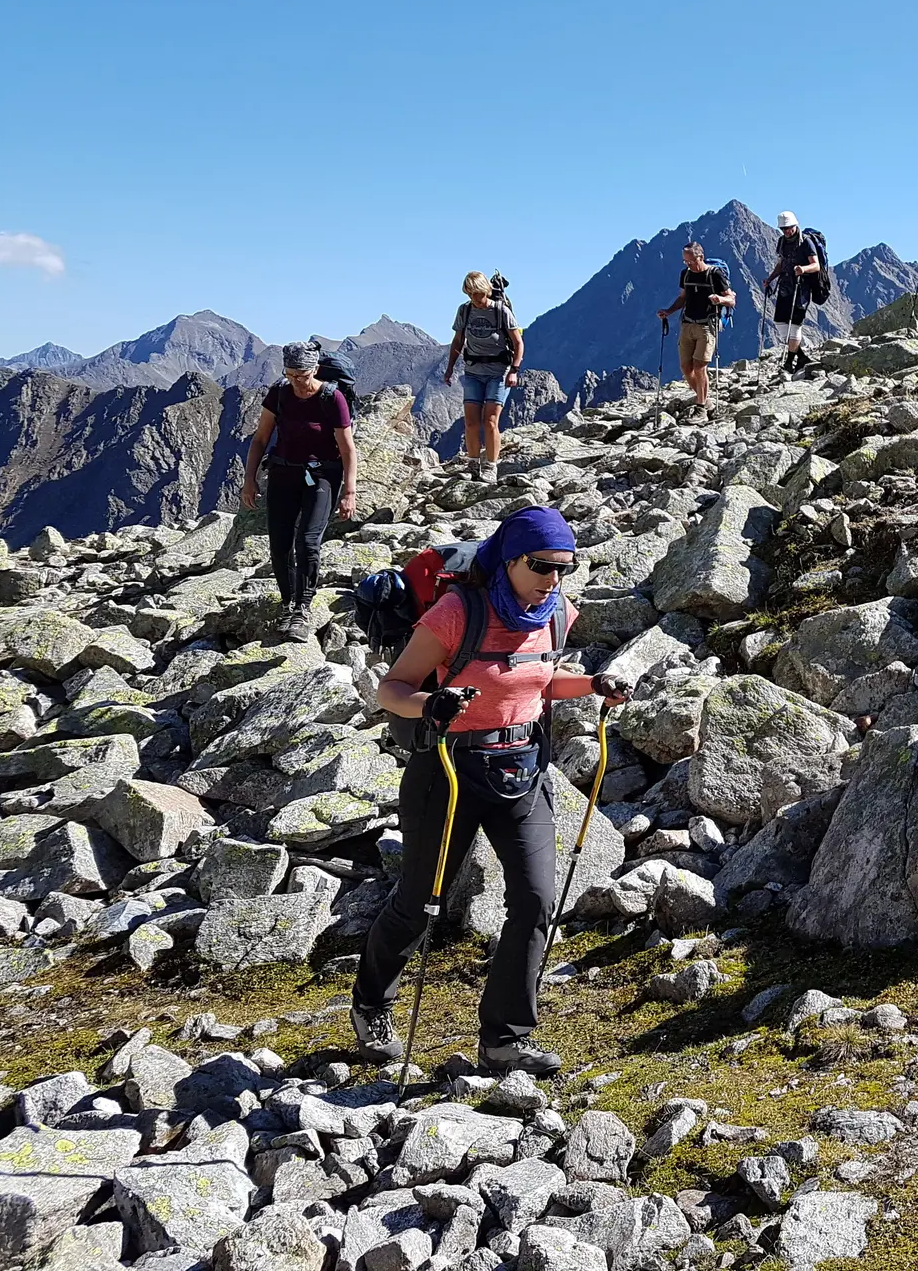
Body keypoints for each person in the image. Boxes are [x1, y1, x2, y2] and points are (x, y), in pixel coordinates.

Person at [353, 507, 628, 1076]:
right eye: (541, 567)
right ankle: (371, 1003)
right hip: (449, 771)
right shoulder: (459, 612)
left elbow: (539, 678)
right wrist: (431, 704)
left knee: (535, 900)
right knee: (420, 903)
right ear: (509, 560)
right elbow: (392, 688)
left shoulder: (557, 615)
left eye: (563, 569)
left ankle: (505, 1039)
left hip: (523, 769)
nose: (553, 579)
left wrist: (594, 684)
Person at [241, 341, 357, 641]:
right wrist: (249, 478)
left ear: (315, 370)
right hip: (282, 473)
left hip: (322, 476)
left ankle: (302, 609)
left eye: (301, 375)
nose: (296, 381)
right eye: (290, 374)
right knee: (279, 545)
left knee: (307, 541)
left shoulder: (333, 398)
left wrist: (349, 492)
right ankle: (287, 603)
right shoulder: (279, 393)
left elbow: (347, 449)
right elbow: (260, 439)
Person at [444, 271, 523, 484]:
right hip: (472, 373)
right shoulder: (465, 311)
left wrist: (514, 370)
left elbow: (518, 343)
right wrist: (450, 368)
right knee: (470, 423)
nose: (474, 299)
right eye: (470, 294)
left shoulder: (501, 311)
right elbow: (458, 341)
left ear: (485, 290)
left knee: (490, 421)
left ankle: (490, 466)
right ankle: (472, 464)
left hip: (499, 373)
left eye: (477, 294)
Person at [657, 242, 735, 420]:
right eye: (685, 261)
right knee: (686, 368)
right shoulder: (685, 274)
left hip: (707, 326)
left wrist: (719, 299)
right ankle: (705, 400)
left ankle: (701, 408)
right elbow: (683, 298)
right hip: (687, 324)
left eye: (690, 261)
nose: (688, 265)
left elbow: (731, 299)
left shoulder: (715, 274)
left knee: (700, 367)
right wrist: (668, 311)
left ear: (700, 257)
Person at [761, 212, 820, 374]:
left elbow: (816, 266)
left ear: (795, 225)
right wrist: (770, 278)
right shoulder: (782, 242)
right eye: (783, 229)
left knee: (795, 325)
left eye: (789, 228)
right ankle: (801, 357)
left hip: (801, 288)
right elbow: (781, 264)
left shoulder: (806, 242)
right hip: (785, 286)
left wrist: (803, 269)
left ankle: (788, 362)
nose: (786, 231)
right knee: (780, 322)